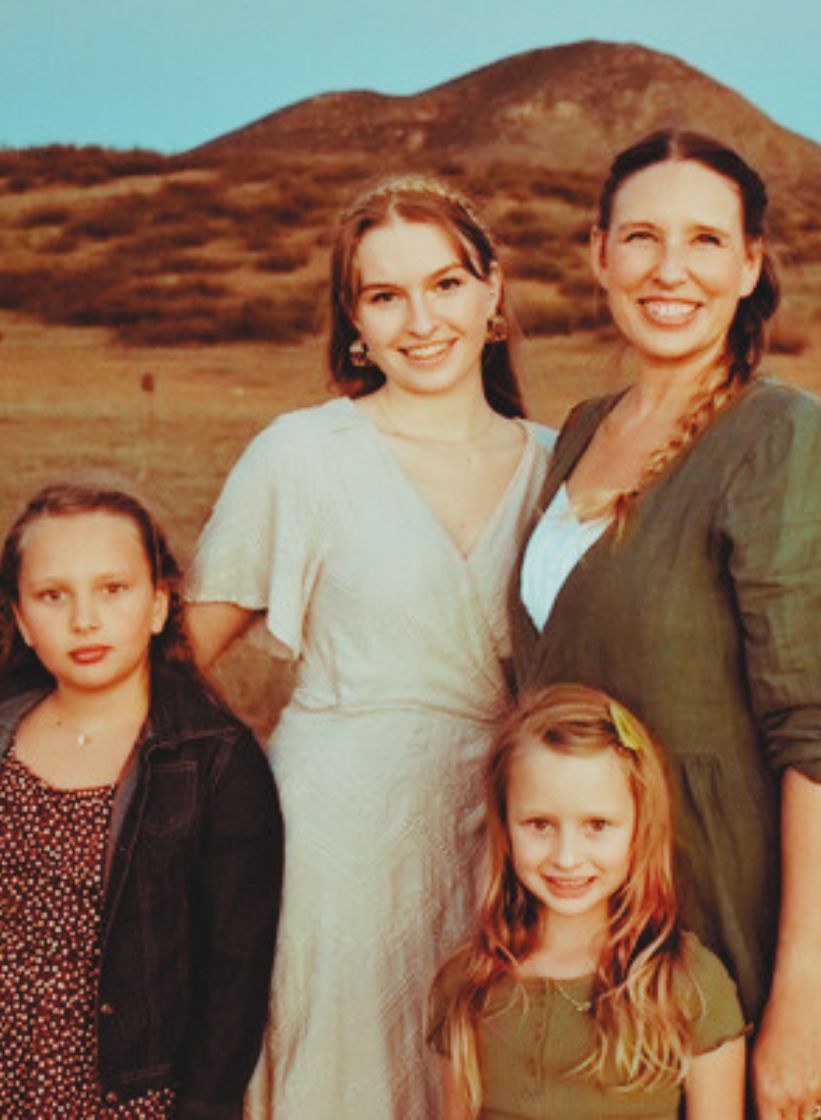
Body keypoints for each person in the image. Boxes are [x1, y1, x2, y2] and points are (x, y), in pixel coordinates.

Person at [512, 130, 821, 1118]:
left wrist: (800, 997)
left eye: (706, 242)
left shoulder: (790, 439)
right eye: (640, 237)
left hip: (726, 915)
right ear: (598, 253)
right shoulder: (587, 427)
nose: (670, 270)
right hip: (583, 911)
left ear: (751, 263)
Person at [184, 176, 552, 1118]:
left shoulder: (560, 463)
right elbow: (186, 654)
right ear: (354, 319)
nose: (420, 320)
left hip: (509, 839)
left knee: (478, 1077)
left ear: (494, 293)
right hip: (333, 833)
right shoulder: (303, 454)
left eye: (445, 284)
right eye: (385, 296)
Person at [0, 482, 283, 1119]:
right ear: (19, 617)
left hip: (128, 1089)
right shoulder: (7, 731)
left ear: (159, 604)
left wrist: (206, 1105)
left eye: (113, 589)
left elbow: (235, 968)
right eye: (52, 596)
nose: (84, 620)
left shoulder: (213, 759)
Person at [431, 683, 747, 1117]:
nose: (566, 857)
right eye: (540, 824)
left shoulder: (688, 986)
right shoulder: (466, 985)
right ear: (504, 824)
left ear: (640, 826)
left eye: (597, 825)